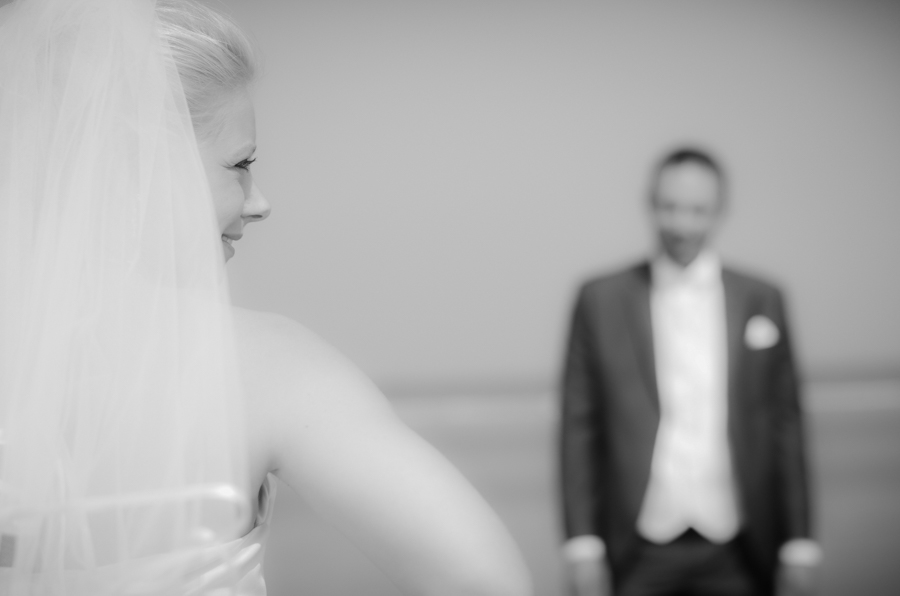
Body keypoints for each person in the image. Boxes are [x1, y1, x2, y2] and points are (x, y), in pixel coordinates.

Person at [0, 1, 532, 595]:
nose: (259, 203)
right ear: (133, 161)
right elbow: (486, 582)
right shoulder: (262, 362)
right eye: (239, 164)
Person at [559, 148, 821, 596]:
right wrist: (582, 545)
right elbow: (579, 426)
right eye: (670, 207)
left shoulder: (762, 299)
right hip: (636, 545)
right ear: (650, 203)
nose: (682, 224)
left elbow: (786, 424)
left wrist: (799, 542)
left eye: (698, 210)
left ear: (720, 211)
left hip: (741, 542)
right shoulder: (600, 299)